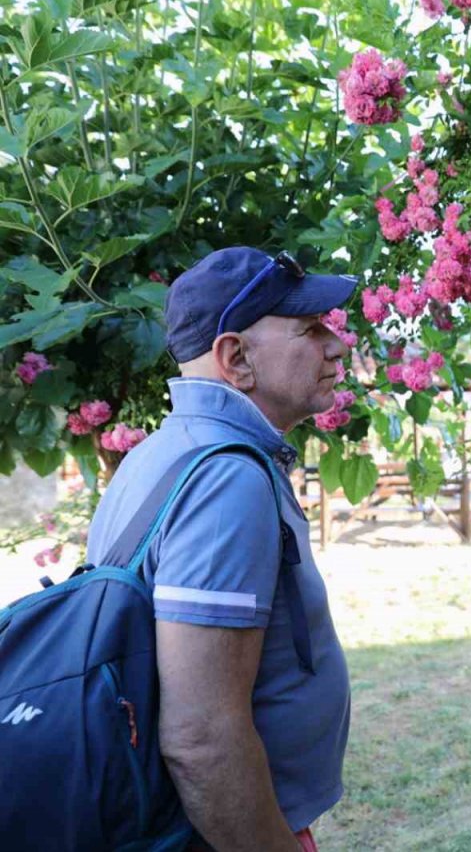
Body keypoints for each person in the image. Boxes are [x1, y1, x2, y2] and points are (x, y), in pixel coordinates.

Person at [86, 246, 356, 851]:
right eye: (310, 328)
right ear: (236, 358)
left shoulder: (162, 450)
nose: (337, 345)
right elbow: (201, 739)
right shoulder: (224, 479)